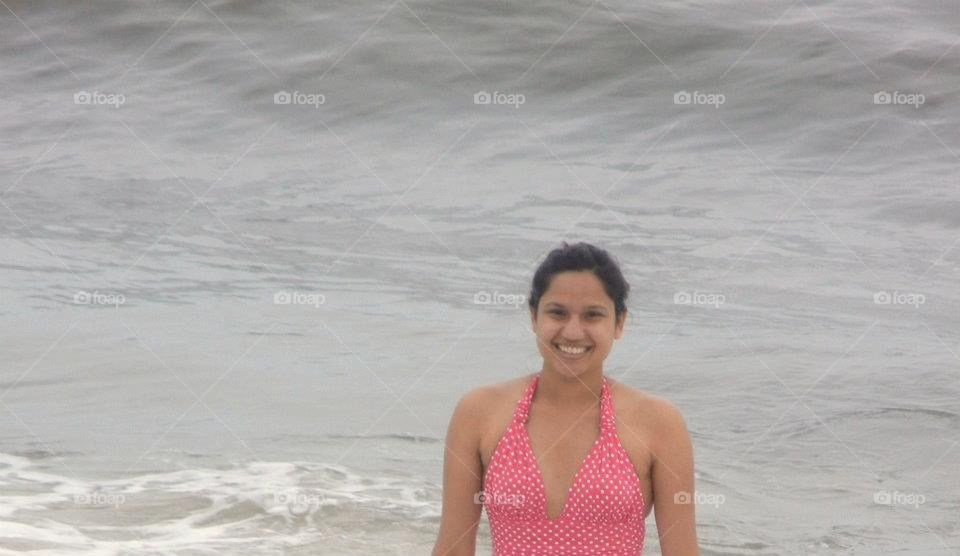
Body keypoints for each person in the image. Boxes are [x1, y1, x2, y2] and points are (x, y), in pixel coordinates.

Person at [432, 242, 699, 555]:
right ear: (534, 316)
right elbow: (452, 548)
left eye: (592, 315)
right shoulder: (478, 412)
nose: (573, 332)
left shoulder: (659, 422)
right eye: (557, 312)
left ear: (619, 323)